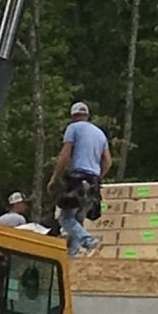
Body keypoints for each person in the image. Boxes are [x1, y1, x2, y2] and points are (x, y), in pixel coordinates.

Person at [50, 99, 111, 257]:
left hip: (77, 179)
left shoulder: (73, 128)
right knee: (78, 218)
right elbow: (108, 161)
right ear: (87, 115)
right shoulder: (100, 133)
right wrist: (98, 177)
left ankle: (88, 240)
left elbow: (65, 155)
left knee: (65, 218)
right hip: (93, 181)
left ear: (73, 116)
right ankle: (73, 256)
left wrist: (55, 178)